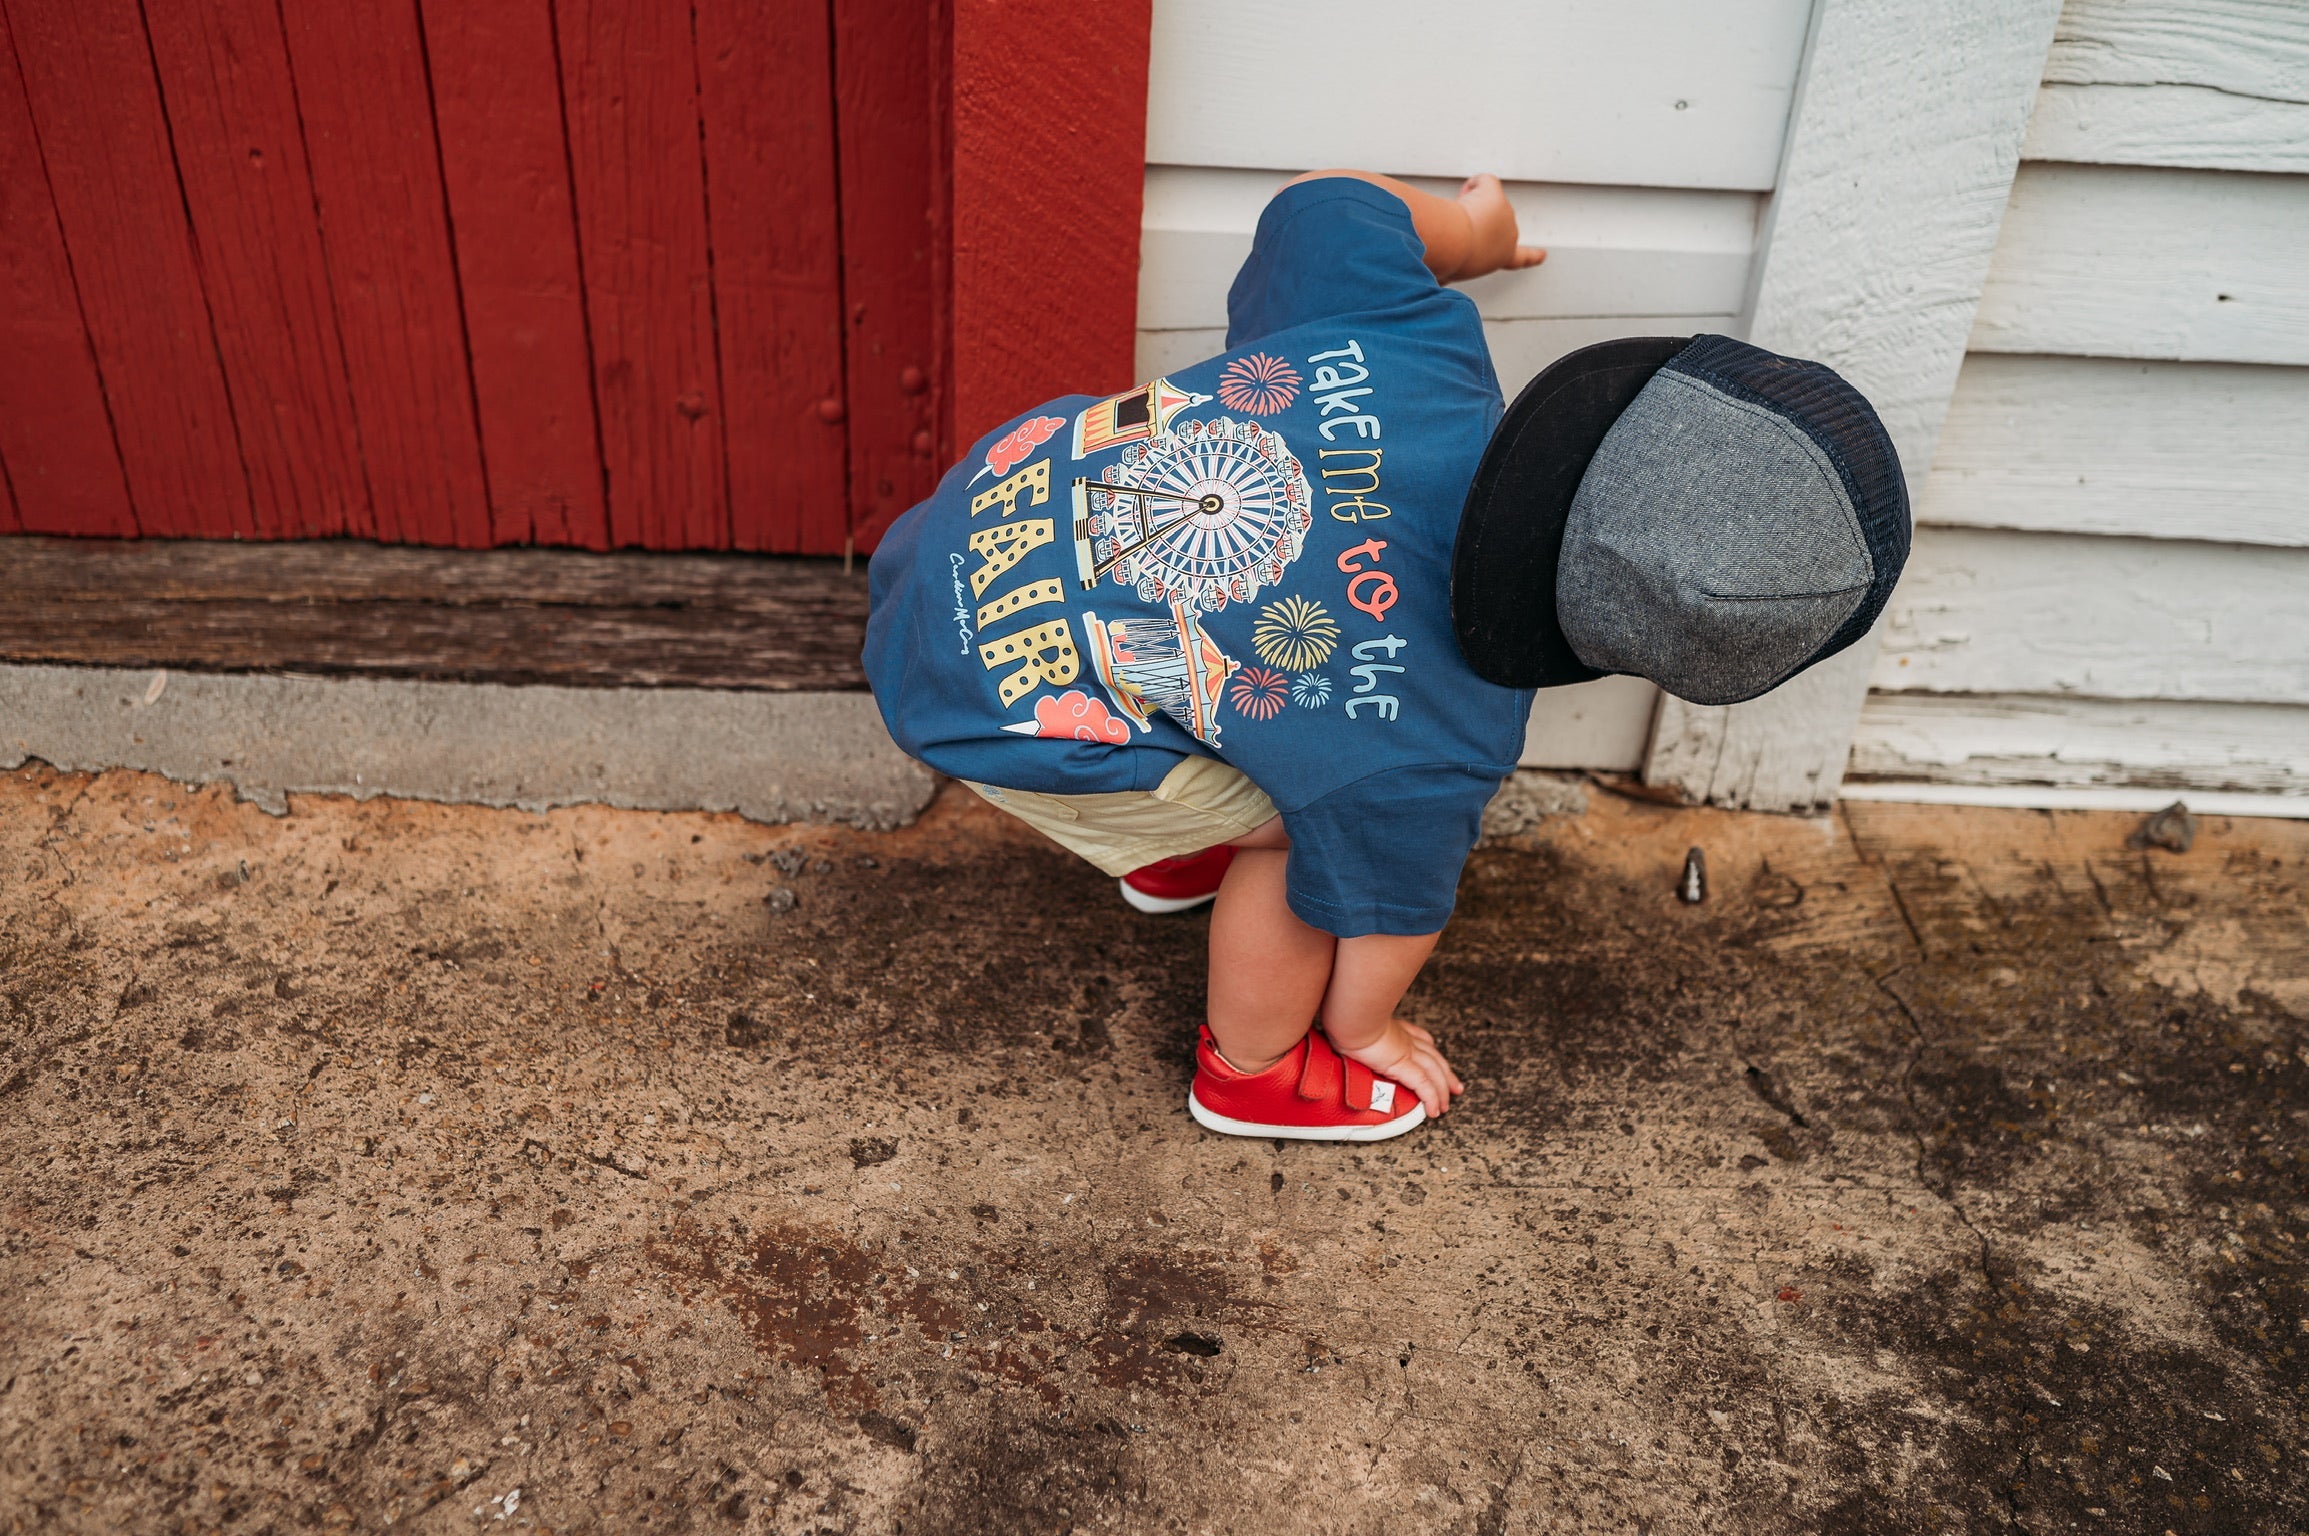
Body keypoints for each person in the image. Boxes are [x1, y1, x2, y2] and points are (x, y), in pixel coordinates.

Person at [864, 169, 1908, 1142]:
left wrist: (1470, 233)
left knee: (1277, 707)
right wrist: (1362, 1029)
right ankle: (1254, 1070)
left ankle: (1173, 831)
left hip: (962, 527)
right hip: (986, 700)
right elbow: (1378, 902)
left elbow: (1324, 208)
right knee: (1306, 848)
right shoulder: (1438, 737)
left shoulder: (1409, 344)